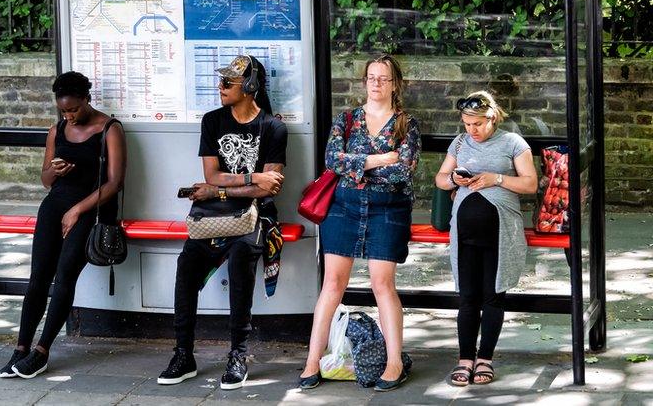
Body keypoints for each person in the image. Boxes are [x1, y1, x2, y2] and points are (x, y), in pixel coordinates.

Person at [157, 55, 288, 391]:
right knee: (186, 265)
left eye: (228, 83)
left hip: (254, 215)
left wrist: (221, 189)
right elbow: (211, 174)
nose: (221, 87)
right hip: (213, 216)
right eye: (221, 81)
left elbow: (269, 186)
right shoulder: (212, 121)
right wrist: (249, 177)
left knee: (242, 261)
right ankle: (183, 354)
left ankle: (238, 355)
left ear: (250, 87)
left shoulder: (274, 128)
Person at [298, 54, 421, 392]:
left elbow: (403, 170)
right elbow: (331, 160)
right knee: (333, 284)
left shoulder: (406, 123)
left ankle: (394, 362)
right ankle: (312, 360)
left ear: (395, 83)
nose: (376, 83)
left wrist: (357, 166)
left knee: (383, 284)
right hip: (344, 207)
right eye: (371, 77)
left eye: (383, 78)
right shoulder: (347, 119)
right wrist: (378, 159)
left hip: (388, 209)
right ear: (364, 81)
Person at [0, 71, 126, 379]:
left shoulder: (109, 129)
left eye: (74, 109)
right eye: (64, 110)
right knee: (38, 277)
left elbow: (115, 183)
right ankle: (20, 348)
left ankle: (42, 351)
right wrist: (58, 170)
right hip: (55, 206)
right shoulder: (57, 130)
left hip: (90, 209)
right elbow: (45, 180)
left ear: (87, 99)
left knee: (65, 273)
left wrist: (77, 210)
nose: (69, 115)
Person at [434, 91, 537, 386]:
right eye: (467, 124)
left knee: (492, 296)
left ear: (492, 118)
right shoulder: (460, 142)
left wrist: (497, 179)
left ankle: (485, 359)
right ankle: (465, 358)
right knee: (467, 297)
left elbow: (530, 183)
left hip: (500, 232)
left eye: (477, 124)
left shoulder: (513, 143)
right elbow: (440, 178)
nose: (471, 130)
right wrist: (455, 179)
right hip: (465, 233)